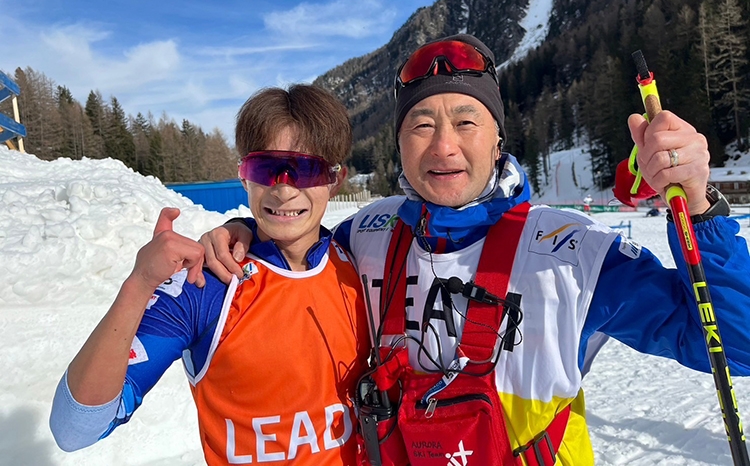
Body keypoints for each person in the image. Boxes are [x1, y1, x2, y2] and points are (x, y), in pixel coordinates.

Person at [200, 34, 750, 465]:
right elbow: (295, 233)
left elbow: (736, 344)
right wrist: (245, 228)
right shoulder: (367, 234)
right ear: (398, 143)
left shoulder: (571, 252)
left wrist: (699, 207)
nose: (444, 146)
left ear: (497, 137)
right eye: (421, 124)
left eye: (467, 121)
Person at [49, 84, 370, 465]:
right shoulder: (208, 283)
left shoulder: (360, 259)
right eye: (266, 168)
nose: (283, 190)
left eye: (305, 169)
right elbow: (74, 429)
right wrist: (138, 286)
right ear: (243, 176)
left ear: (336, 179)